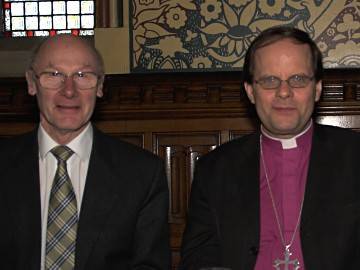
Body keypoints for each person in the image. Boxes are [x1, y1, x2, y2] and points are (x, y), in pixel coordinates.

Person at [180, 26, 360, 269]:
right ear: (250, 91)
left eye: (297, 79)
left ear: (317, 89)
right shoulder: (215, 169)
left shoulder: (354, 157)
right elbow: (198, 259)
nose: (283, 92)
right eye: (269, 80)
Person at [0, 35, 170, 270]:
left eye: (83, 75)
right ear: (31, 82)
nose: (69, 90)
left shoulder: (142, 173)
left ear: (100, 86)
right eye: (54, 74)